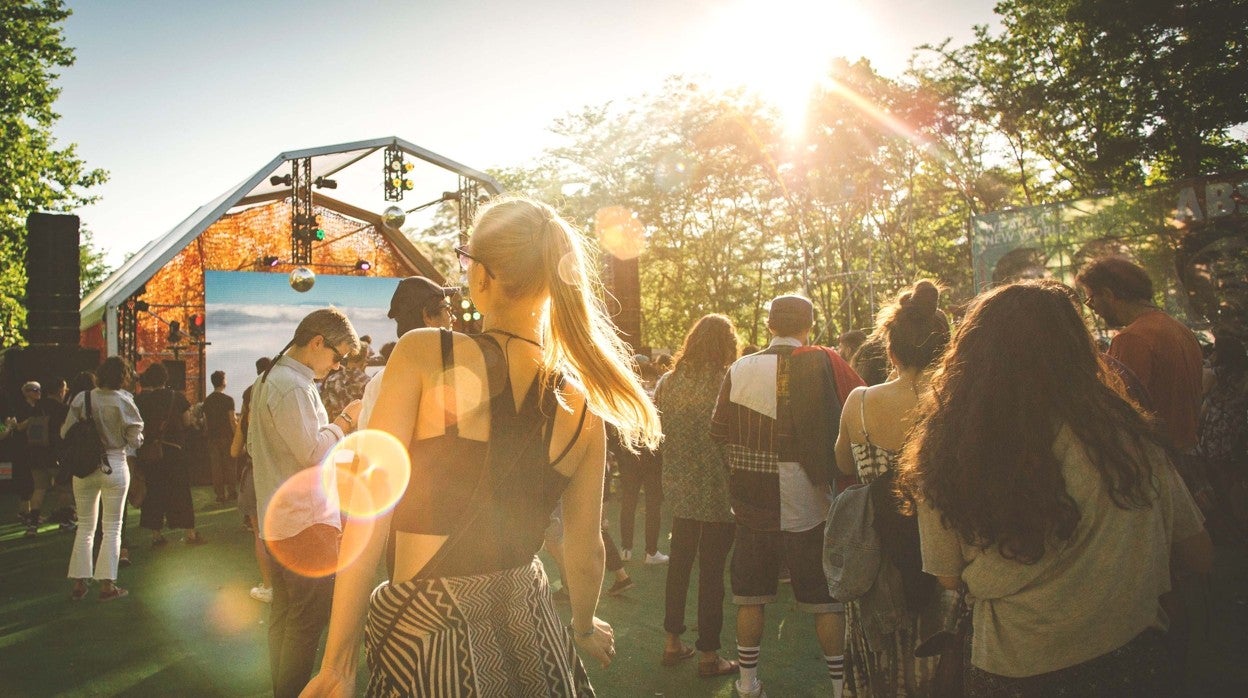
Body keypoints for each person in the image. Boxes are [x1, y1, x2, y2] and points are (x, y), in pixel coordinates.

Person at [303, 196, 661, 697]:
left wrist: (337, 664)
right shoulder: (582, 403)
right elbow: (586, 553)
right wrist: (583, 627)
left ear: (482, 277)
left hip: (426, 643)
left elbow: (369, 510)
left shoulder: (426, 352)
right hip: (533, 638)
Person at [898, 280, 1212, 696]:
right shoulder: (1126, 436)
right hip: (1133, 660)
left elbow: (947, 576)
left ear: (973, 355)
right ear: (1075, 347)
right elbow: (1200, 553)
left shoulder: (949, 449)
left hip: (1016, 668)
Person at [711, 294, 865, 698]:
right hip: (809, 498)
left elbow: (718, 431)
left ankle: (747, 684)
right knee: (823, 600)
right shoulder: (821, 363)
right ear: (808, 326)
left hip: (750, 498)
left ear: (769, 325)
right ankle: (839, 687)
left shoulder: (740, 367)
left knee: (750, 595)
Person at [833, 280, 949, 696]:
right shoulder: (954, 402)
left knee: (880, 660)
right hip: (944, 557)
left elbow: (844, 464)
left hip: (876, 557)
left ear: (891, 347)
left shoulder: (860, 401)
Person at [248, 309, 363, 698]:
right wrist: (346, 420)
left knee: (285, 616)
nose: (337, 366)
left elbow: (258, 449)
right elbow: (313, 452)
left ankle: (283, 690)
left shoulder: (268, 379)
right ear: (317, 342)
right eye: (338, 356)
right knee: (305, 621)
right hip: (305, 522)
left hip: (278, 519)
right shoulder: (293, 386)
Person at [655, 314, 740, 678]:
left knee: (679, 566)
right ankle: (709, 654)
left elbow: (658, 433)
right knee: (711, 573)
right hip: (720, 489)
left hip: (680, 487)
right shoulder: (727, 383)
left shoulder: (667, 383)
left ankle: (672, 642)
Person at [61, 356, 143, 602]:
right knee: (112, 528)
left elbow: (65, 432)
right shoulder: (124, 401)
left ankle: (79, 582)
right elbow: (136, 439)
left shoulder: (81, 398)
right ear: (123, 377)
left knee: (85, 526)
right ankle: (107, 585)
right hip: (114, 464)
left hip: (83, 468)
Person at [357, 276, 455, 429]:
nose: (453, 317)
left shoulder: (380, 383)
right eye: (448, 309)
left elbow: (369, 443)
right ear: (427, 316)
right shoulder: (455, 372)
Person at [134, 363, 203, 546]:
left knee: (154, 491)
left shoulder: (143, 400)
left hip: (152, 452)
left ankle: (156, 535)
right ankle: (190, 533)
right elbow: (187, 421)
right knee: (181, 491)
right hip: (174, 451)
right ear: (166, 378)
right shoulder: (176, 397)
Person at [234, 356, 275, 603]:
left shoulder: (251, 397)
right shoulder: (282, 394)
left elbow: (233, 450)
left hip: (255, 471)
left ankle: (269, 587)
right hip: (280, 473)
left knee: (260, 533)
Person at [202, 370, 238, 502]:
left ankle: (220, 494)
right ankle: (232, 492)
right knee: (230, 465)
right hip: (227, 436)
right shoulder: (228, 400)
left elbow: (206, 422)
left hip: (212, 437)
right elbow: (232, 420)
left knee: (216, 467)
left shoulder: (207, 401)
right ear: (223, 382)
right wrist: (237, 436)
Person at [320, 347, 370, 420]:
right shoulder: (367, 381)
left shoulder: (332, 379)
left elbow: (326, 407)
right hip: (358, 428)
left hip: (337, 426)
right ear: (364, 358)